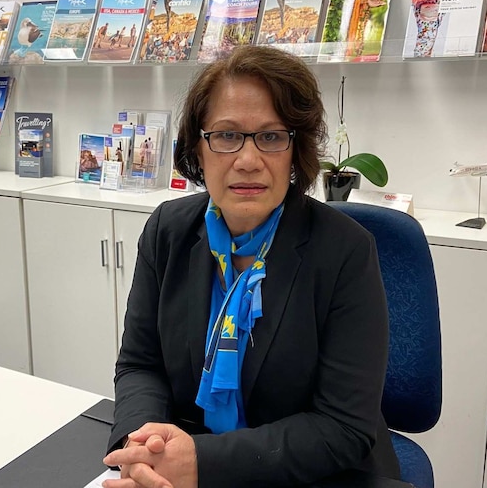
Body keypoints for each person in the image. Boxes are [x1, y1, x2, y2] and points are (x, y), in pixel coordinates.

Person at [103, 45, 399, 487]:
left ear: (295, 151)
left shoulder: (345, 251)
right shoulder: (169, 229)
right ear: (198, 150)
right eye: (226, 135)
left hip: (313, 473)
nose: (247, 160)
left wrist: (201, 462)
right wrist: (143, 448)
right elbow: (141, 365)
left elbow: (343, 427)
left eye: (271, 136)